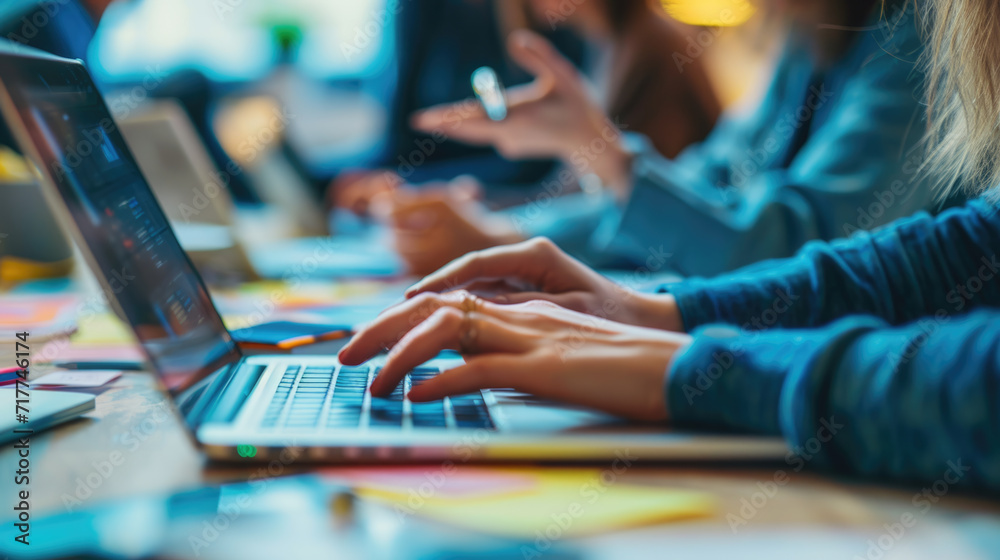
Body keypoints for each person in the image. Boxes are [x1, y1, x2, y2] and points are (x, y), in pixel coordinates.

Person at [337, 0, 1000, 490]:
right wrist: (656, 315)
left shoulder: (910, 33)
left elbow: (783, 237)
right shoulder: (814, 36)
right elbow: (718, 183)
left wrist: (683, 365)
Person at [402, 0, 937, 277]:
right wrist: (505, 237)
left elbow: (792, 253)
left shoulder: (917, 45)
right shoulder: (808, 35)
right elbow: (707, 186)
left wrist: (607, 158)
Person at [365, 0, 722, 274]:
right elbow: (577, 194)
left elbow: (636, 213)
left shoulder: (654, 46)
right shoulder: (609, 46)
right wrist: (487, 205)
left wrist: (496, 231)